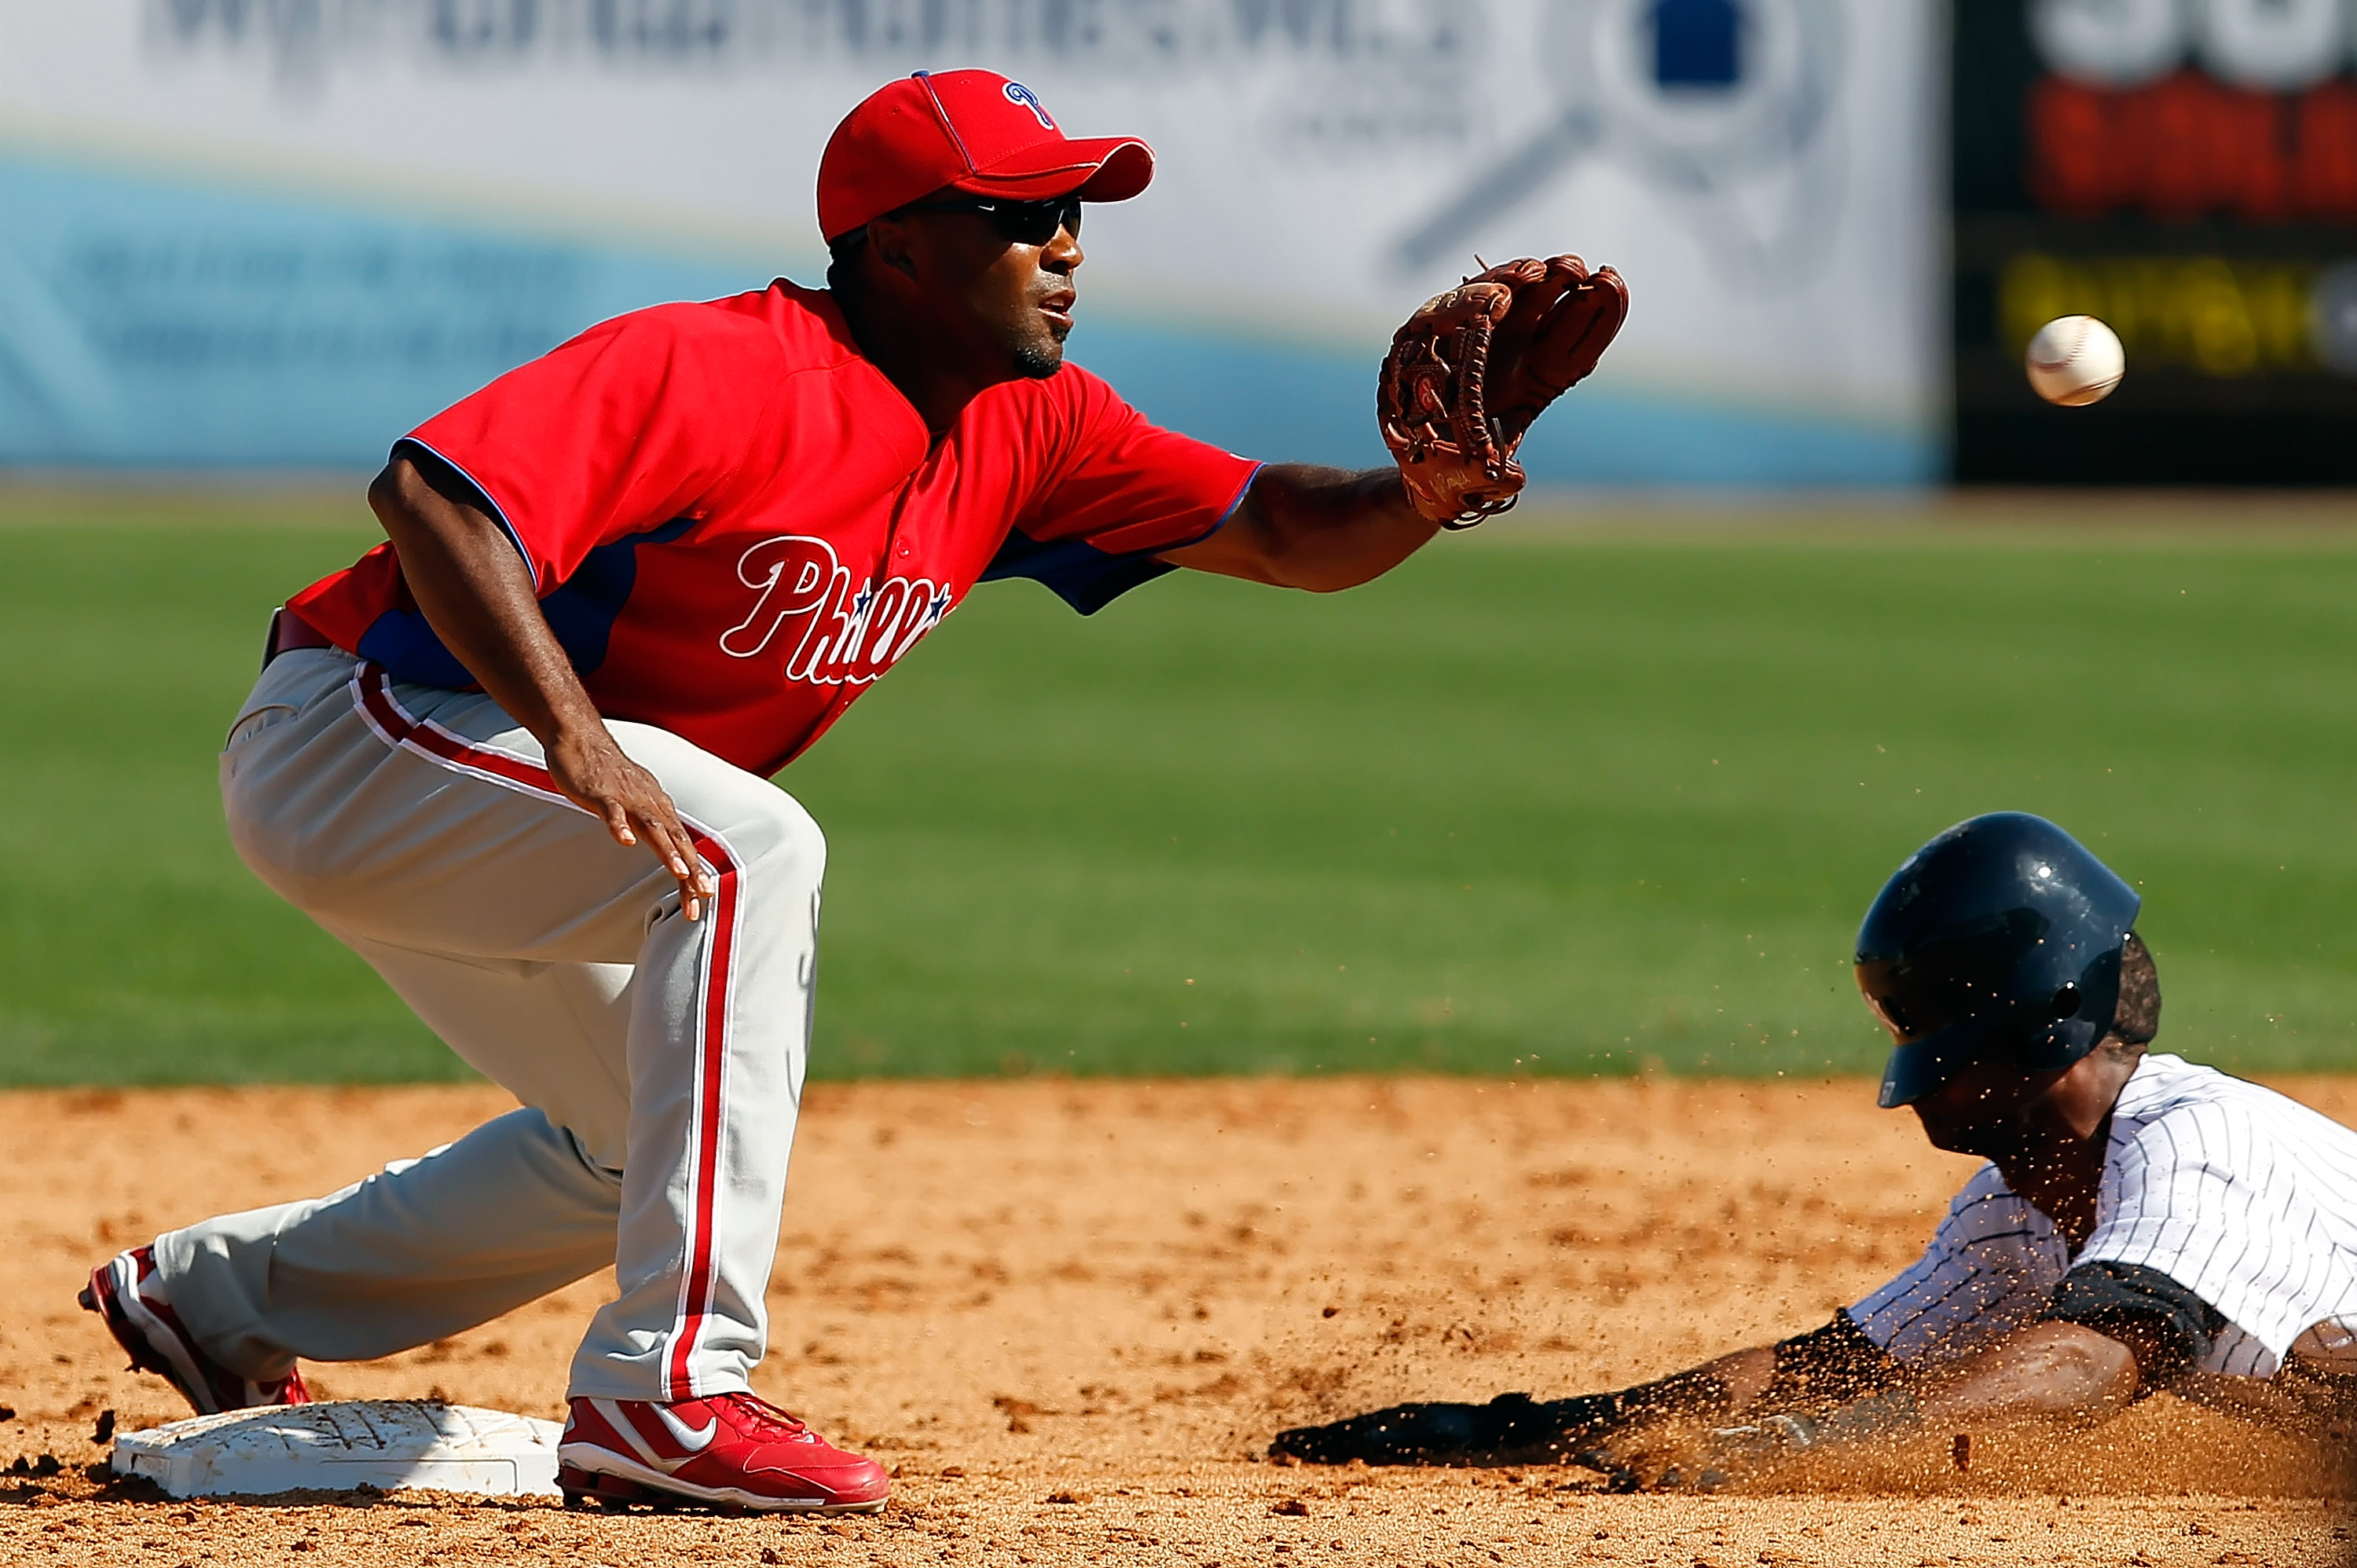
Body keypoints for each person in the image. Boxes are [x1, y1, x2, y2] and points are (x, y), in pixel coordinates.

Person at [75, 70, 1626, 1515]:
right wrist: (577, 739)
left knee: (637, 1138)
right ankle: (667, 1392)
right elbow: (430, 496)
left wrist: (1432, 487)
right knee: (752, 846)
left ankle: (218, 1300)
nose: (1065, 243)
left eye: (1075, 211)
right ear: (891, 249)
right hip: (365, 729)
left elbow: (1290, 533)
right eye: (1017, 215)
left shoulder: (1031, 427)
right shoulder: (726, 364)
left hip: (520, 797)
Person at [1271, 812, 2357, 1485]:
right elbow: (1837, 1368)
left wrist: (1797, 1453)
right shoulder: (2011, 1211)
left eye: (1936, 1034)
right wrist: (1536, 1427)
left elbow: (2080, 1370)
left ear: (2029, 1029)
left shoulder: (2200, 1149)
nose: (1916, 1074)